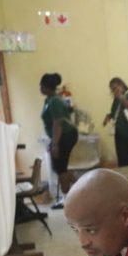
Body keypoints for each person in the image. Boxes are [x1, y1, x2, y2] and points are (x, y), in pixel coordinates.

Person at [40, 73, 78, 209]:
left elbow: (58, 123)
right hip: (60, 136)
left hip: (65, 135)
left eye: (41, 85)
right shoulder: (49, 100)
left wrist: (55, 144)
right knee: (59, 168)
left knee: (61, 167)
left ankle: (67, 199)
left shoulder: (54, 101)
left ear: (46, 86)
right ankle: (83, 185)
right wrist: (53, 142)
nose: (40, 88)